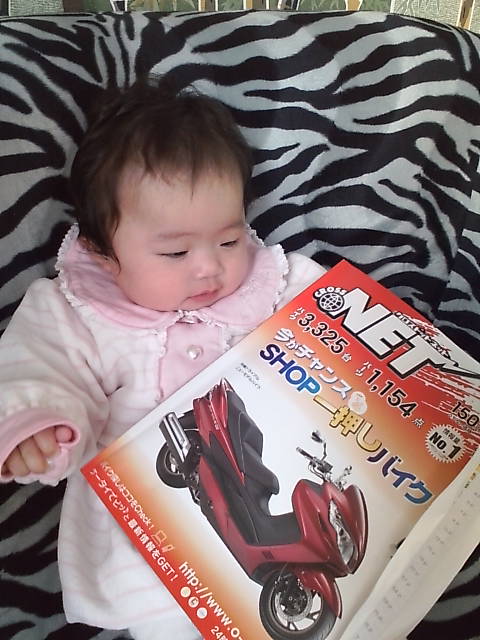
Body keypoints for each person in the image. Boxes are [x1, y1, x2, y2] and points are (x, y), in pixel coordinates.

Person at [0, 75, 325, 640]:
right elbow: (37, 366)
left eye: (228, 240)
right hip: (150, 558)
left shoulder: (276, 284)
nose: (209, 267)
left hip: (263, 487)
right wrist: (38, 425)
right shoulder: (79, 311)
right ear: (104, 254)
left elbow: (346, 324)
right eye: (175, 252)